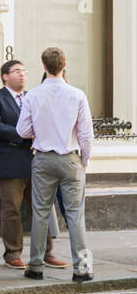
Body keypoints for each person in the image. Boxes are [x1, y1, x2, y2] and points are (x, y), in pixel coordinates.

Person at [16, 47, 93, 282]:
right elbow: (86, 134)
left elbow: (22, 130)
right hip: (70, 157)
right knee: (74, 214)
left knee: (40, 213)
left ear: (43, 66)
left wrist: (39, 132)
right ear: (65, 64)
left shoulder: (33, 95)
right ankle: (81, 268)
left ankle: (36, 265)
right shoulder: (77, 95)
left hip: (42, 158)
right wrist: (84, 160)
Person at [0, 59, 66, 269]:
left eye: (24, 71)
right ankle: (13, 253)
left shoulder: (33, 96)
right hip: (9, 163)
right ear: (5, 76)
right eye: (17, 71)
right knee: (11, 210)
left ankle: (45, 252)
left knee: (42, 208)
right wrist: (23, 135)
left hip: (37, 161)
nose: (22, 75)